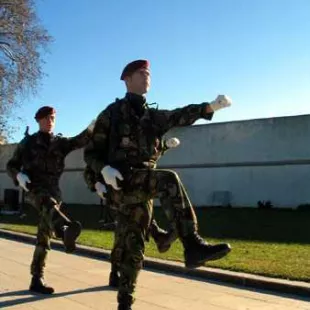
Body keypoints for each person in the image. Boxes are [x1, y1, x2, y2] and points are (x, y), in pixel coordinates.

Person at [84, 59, 232, 309]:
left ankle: (125, 302)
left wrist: (209, 107)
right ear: (127, 79)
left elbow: (177, 115)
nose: (147, 76)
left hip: (143, 186)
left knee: (135, 246)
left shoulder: (151, 115)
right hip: (123, 181)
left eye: (149, 73)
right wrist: (104, 170)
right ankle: (192, 244)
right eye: (141, 73)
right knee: (169, 180)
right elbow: (91, 153)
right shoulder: (111, 114)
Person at [7, 106, 94, 294]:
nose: (50, 121)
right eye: (46, 118)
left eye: (52, 118)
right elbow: (11, 165)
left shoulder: (60, 143)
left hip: (55, 193)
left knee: (44, 236)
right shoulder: (28, 143)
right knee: (47, 203)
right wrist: (18, 176)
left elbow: (78, 141)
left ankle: (36, 278)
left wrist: (92, 127)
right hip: (34, 189)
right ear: (38, 121)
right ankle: (64, 232)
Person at [83, 136, 181, 288]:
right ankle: (116, 272)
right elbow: (90, 167)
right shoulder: (110, 142)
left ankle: (158, 237)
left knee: (138, 222)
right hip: (117, 193)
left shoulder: (140, 136)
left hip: (139, 189)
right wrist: (96, 184)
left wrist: (165, 146)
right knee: (123, 236)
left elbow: (151, 154)